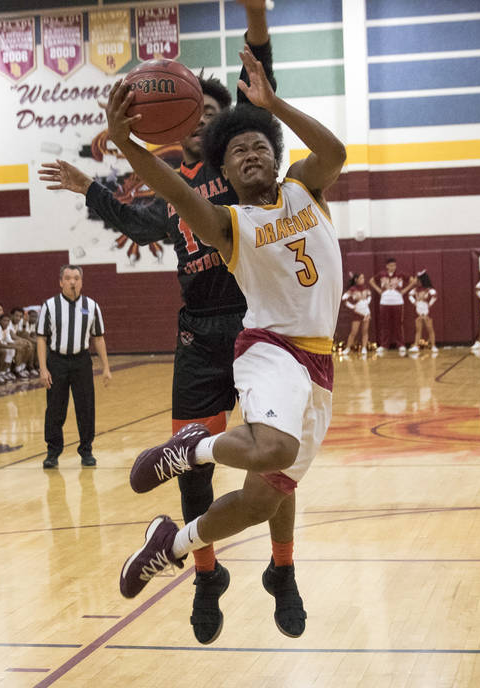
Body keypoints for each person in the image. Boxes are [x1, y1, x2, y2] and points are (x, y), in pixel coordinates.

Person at [39, 0, 281, 645]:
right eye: (191, 114)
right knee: (189, 468)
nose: (201, 121)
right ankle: (206, 574)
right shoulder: (171, 184)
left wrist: (256, 25)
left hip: (256, 326)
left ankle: (283, 568)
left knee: (275, 460)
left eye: (210, 113)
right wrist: (88, 184)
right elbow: (134, 221)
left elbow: (261, 94)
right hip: (199, 335)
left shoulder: (239, 171)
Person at [108, 47, 344, 646]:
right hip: (270, 349)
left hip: (319, 364)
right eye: (237, 152)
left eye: (259, 145)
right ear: (227, 173)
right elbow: (179, 197)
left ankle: (172, 543)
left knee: (262, 501)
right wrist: (127, 146)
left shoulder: (304, 189)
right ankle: (193, 449)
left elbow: (336, 152)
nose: (250, 153)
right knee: (273, 447)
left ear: (275, 154)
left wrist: (273, 105)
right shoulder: (230, 224)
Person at [36, 265, 111, 469]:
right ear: (60, 281)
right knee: (55, 409)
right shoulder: (50, 306)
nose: (72, 282)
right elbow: (41, 338)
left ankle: (86, 451)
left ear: (81, 281)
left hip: (81, 362)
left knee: (85, 407)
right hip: (57, 361)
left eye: (76, 278)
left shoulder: (92, 306)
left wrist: (106, 367)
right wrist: (43, 369)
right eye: (68, 278)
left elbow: (99, 337)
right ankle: (52, 452)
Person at [370, 258, 413, 355]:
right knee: (385, 325)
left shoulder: (400, 274)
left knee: (398, 324)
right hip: (384, 302)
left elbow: (413, 280)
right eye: (391, 265)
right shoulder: (382, 274)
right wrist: (378, 290)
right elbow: (371, 280)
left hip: (398, 302)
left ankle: (401, 344)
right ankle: (384, 345)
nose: (393, 267)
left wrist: (405, 290)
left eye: (394, 265)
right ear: (387, 266)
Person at [340, 273, 371, 356]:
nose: (363, 280)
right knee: (354, 332)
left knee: (365, 331)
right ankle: (347, 348)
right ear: (356, 280)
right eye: (361, 278)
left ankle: (364, 348)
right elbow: (344, 298)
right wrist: (352, 306)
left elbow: (369, 296)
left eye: (363, 278)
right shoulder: (352, 289)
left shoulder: (366, 288)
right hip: (357, 313)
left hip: (366, 312)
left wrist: (367, 302)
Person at [408, 271, 438, 355]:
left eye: (418, 280)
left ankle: (433, 345)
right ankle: (416, 345)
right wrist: (414, 302)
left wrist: (429, 305)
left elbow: (434, 296)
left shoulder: (429, 289)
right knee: (418, 329)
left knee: (430, 328)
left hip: (426, 309)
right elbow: (410, 295)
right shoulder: (415, 290)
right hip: (418, 309)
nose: (416, 282)